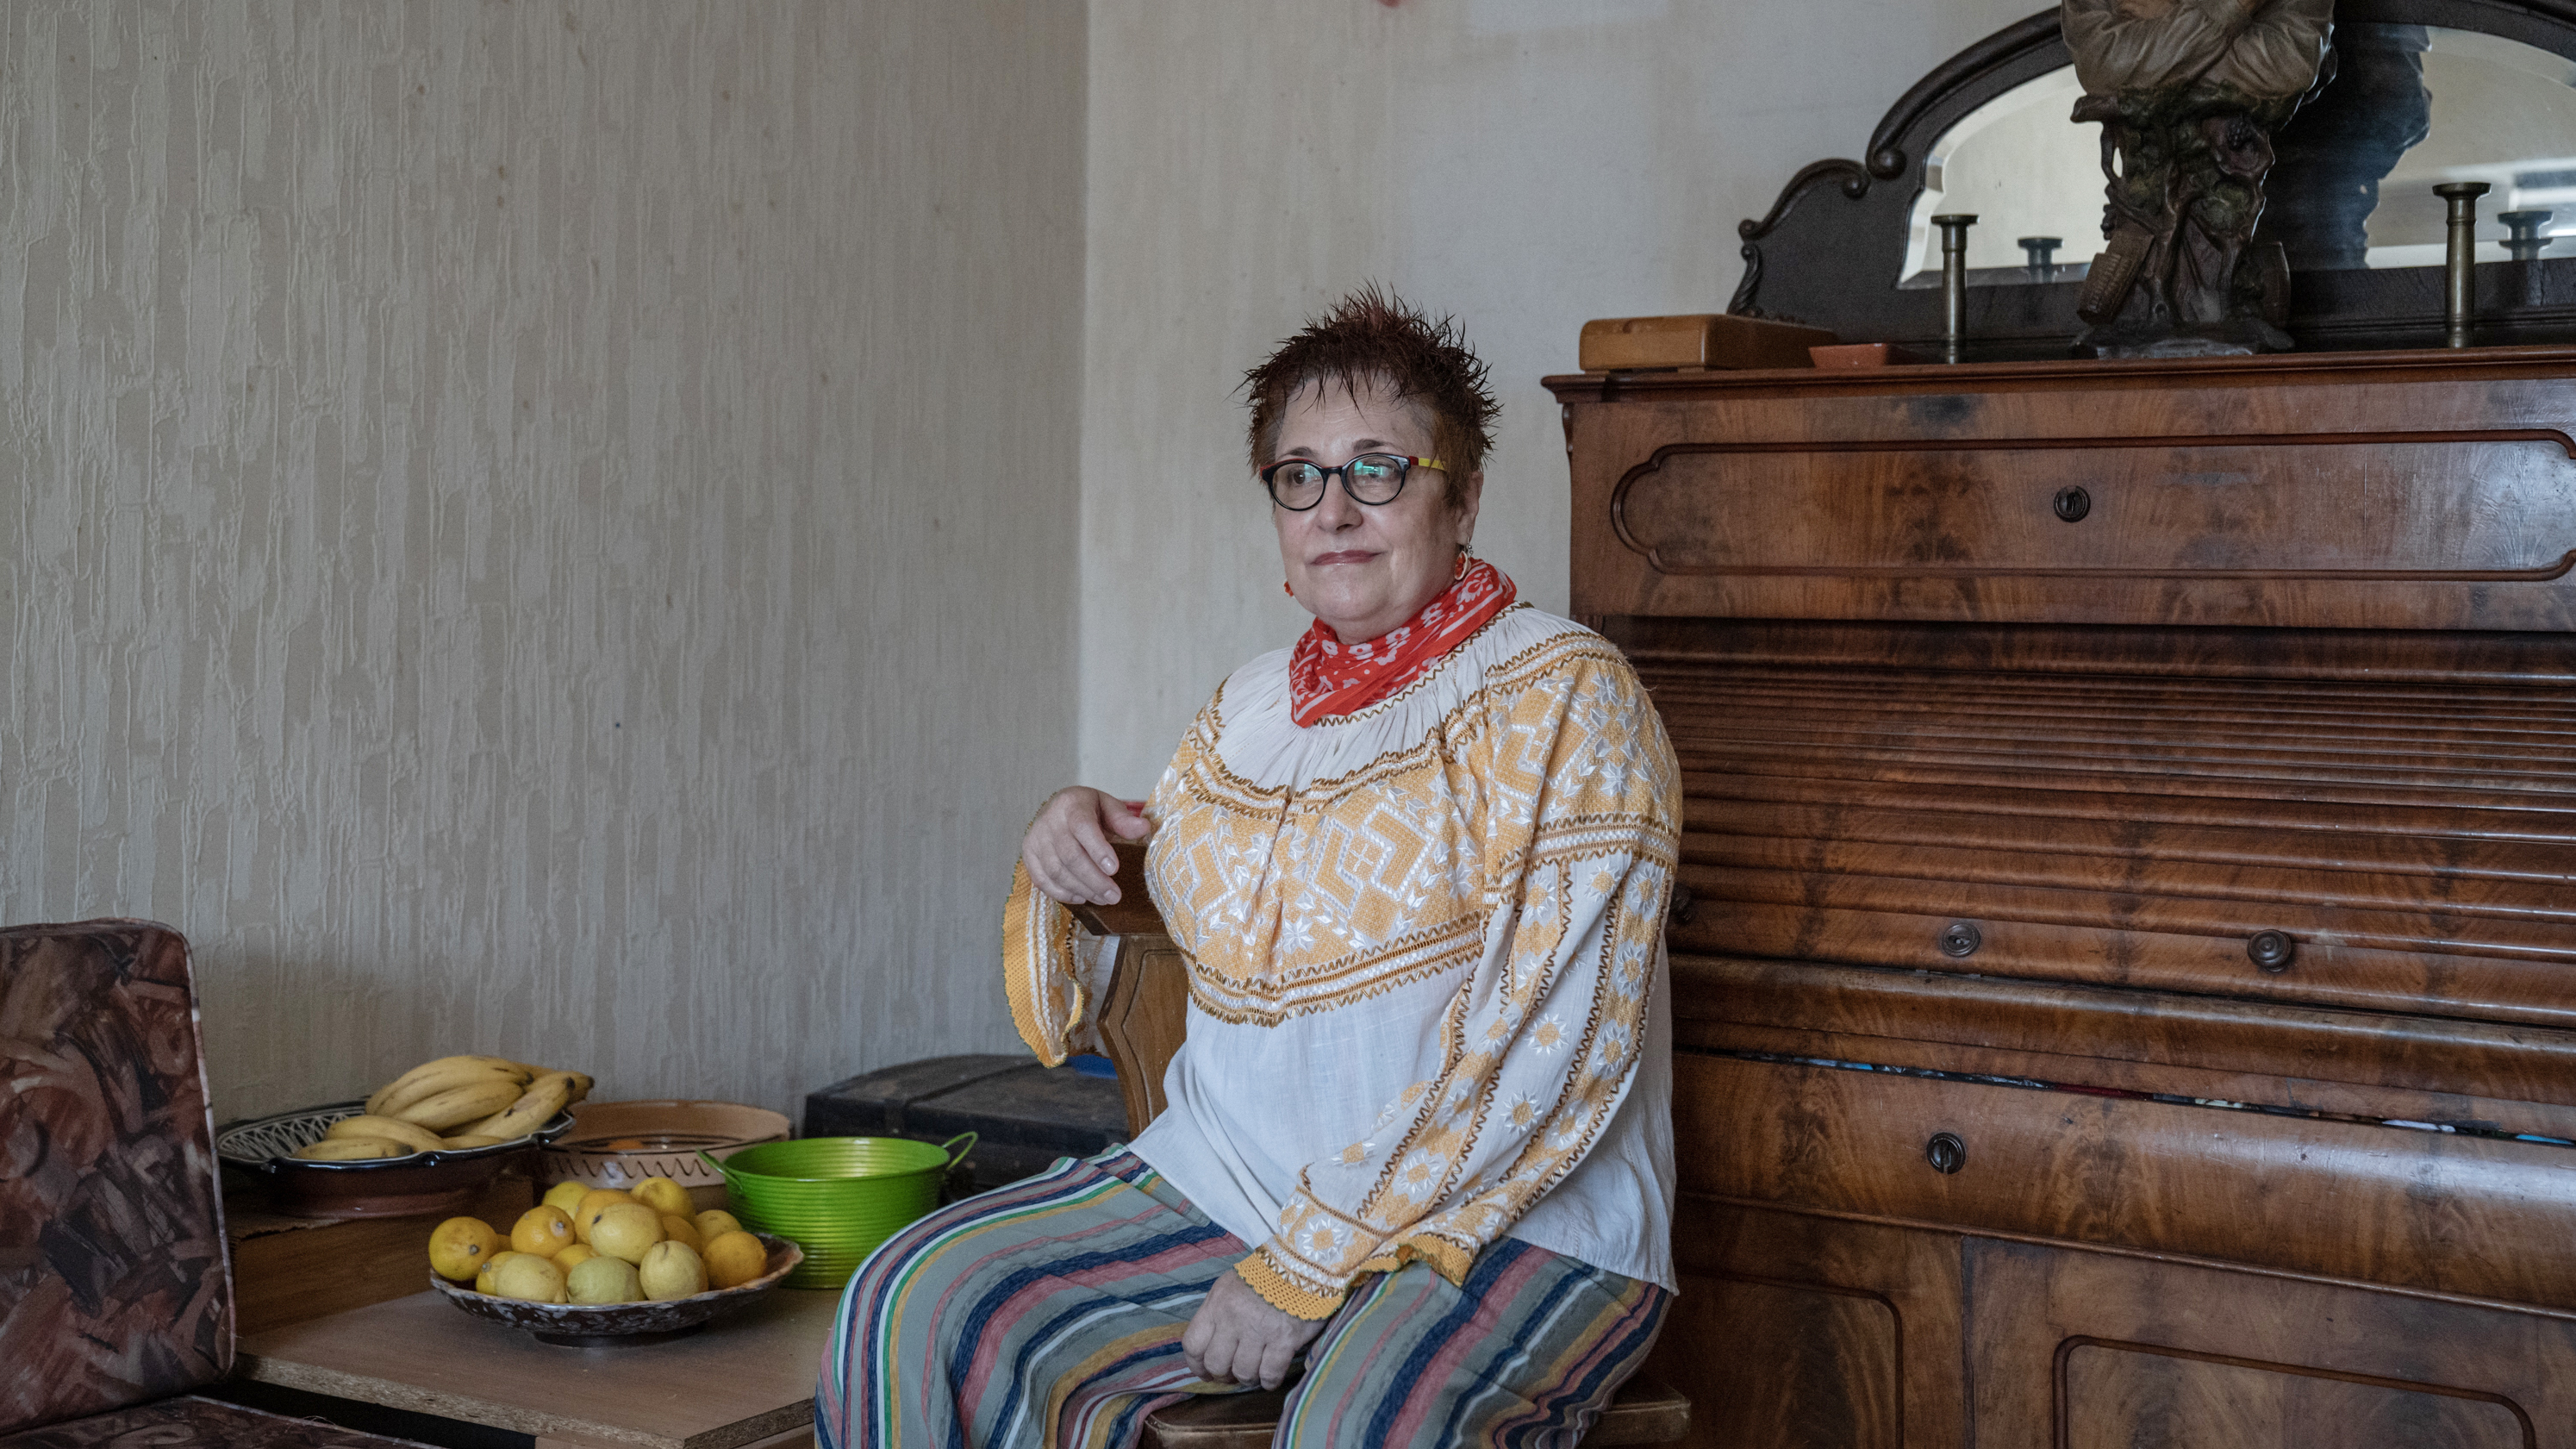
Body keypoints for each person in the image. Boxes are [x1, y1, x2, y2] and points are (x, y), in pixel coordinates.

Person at [818, 289, 1681, 1449]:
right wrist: (1070, 826)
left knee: (1353, 1426)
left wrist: (1306, 1264)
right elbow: (1168, 882)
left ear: (1462, 494)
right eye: (1298, 473)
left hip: (1514, 1220)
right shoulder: (1244, 709)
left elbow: (1551, 1046)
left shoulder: (1568, 696)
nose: (1333, 508)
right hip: (1227, 1184)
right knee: (909, 1298)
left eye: (1378, 469)